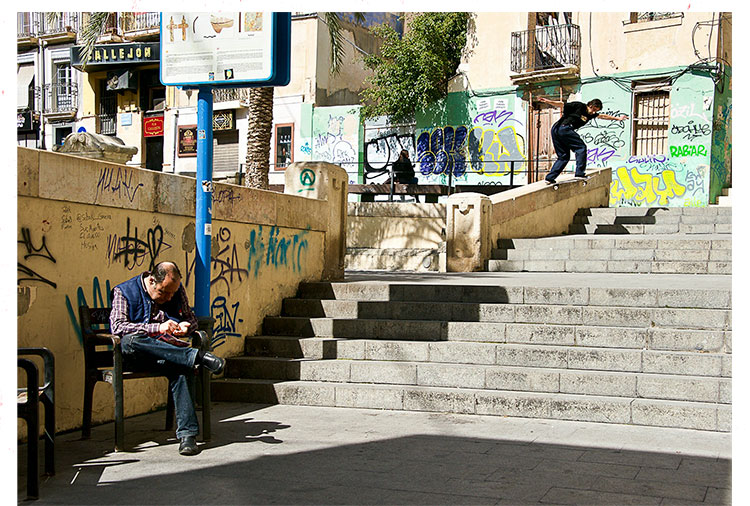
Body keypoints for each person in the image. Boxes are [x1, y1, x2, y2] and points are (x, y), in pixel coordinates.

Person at [109, 261, 225, 456]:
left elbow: (192, 318)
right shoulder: (124, 291)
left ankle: (187, 436)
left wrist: (186, 326)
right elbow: (118, 328)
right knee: (131, 341)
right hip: (137, 356)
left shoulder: (176, 290)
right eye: (164, 292)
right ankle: (197, 356)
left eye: (172, 293)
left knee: (181, 367)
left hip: (169, 354)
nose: (169, 297)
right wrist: (157, 328)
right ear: (152, 280)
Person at [538, 97, 628, 184]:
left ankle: (550, 178)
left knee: (564, 156)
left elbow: (603, 116)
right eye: (593, 110)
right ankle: (579, 173)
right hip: (563, 128)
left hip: (559, 130)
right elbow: (562, 104)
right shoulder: (579, 106)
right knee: (581, 148)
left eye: (596, 111)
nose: (593, 113)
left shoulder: (591, 115)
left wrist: (617, 118)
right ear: (590, 105)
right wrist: (548, 101)